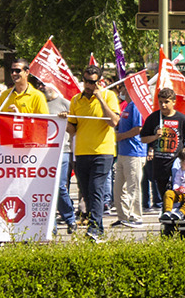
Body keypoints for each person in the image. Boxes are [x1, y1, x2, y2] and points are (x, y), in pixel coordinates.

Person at [66, 64, 119, 241]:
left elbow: (113, 121)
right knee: (86, 192)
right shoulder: (75, 100)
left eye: (93, 82)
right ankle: (98, 228)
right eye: (87, 81)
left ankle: (94, 227)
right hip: (81, 152)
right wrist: (63, 120)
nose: (89, 85)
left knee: (96, 189)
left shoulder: (108, 96)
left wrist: (100, 98)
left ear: (99, 81)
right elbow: (72, 129)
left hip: (102, 152)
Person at [141, 88, 185, 202]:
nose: (163, 105)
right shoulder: (153, 118)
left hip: (177, 163)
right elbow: (143, 138)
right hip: (160, 163)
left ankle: (178, 213)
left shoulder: (181, 119)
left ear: (174, 102)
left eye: (166, 102)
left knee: (177, 193)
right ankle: (166, 213)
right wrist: (155, 137)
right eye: (161, 102)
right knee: (164, 194)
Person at [42, 82, 76, 234]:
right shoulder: (40, 103)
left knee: (60, 186)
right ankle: (52, 226)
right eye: (40, 85)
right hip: (43, 152)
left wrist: (66, 120)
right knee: (46, 188)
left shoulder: (65, 103)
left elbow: (75, 129)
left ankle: (70, 218)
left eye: (45, 84)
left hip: (63, 150)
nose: (42, 88)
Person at [112, 89, 146, 229]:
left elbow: (138, 128)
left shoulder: (137, 106)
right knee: (119, 187)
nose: (121, 90)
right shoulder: (127, 105)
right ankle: (123, 217)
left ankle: (136, 216)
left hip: (134, 152)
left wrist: (121, 136)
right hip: (123, 151)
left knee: (134, 186)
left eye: (125, 86)